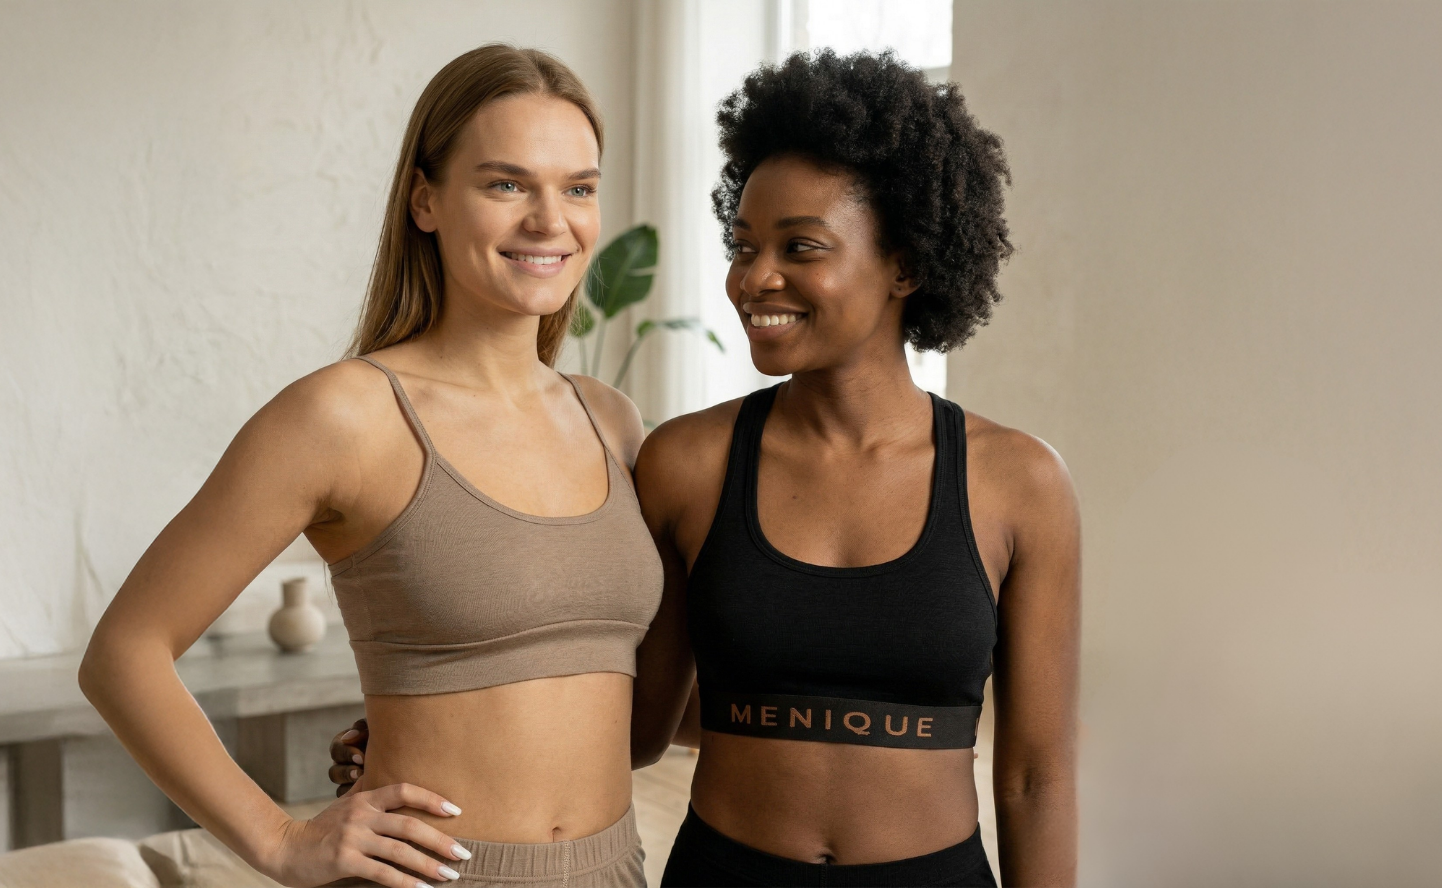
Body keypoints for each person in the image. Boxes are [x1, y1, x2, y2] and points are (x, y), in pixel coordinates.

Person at [334, 49, 1080, 887]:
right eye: (744, 243)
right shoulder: (687, 463)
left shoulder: (1020, 483)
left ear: (906, 265)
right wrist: (432, 733)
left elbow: (1033, 779)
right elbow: (638, 718)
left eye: (801, 246)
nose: (755, 278)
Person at [79, 44, 658, 888]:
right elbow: (124, 653)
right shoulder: (344, 415)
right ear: (426, 200)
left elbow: (608, 694)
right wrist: (280, 841)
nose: (549, 220)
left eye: (577, 187)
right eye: (506, 184)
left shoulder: (610, 419)